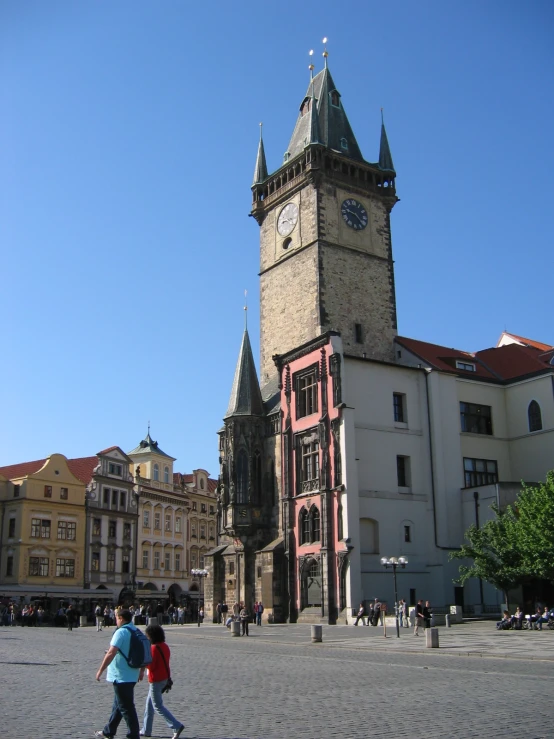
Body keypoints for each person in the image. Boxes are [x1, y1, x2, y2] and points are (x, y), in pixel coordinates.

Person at [95, 607, 144, 739]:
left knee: (126, 707)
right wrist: (141, 671)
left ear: (121, 619)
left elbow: (111, 652)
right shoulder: (136, 630)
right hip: (132, 673)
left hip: (121, 675)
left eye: (116, 618)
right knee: (119, 704)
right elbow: (144, 652)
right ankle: (108, 731)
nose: (115, 620)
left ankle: (133, 735)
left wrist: (100, 670)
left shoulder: (121, 632)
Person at [140, 624, 184, 739]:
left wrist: (143, 660)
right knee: (149, 704)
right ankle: (146, 729)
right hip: (164, 678)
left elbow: (151, 666)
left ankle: (176, 726)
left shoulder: (153, 648)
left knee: (157, 706)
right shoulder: (164, 646)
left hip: (156, 680)